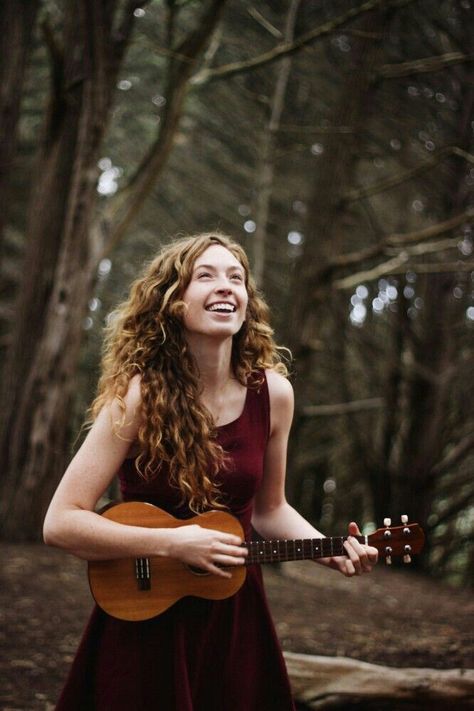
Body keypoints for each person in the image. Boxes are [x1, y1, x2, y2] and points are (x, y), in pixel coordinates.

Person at [43, 232, 378, 711]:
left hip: (234, 611)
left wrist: (328, 550)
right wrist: (173, 542)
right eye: (206, 276)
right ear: (175, 303)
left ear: (246, 303)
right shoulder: (139, 397)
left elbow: (271, 508)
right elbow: (60, 521)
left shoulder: (274, 395)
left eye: (236, 278)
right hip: (144, 613)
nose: (226, 287)